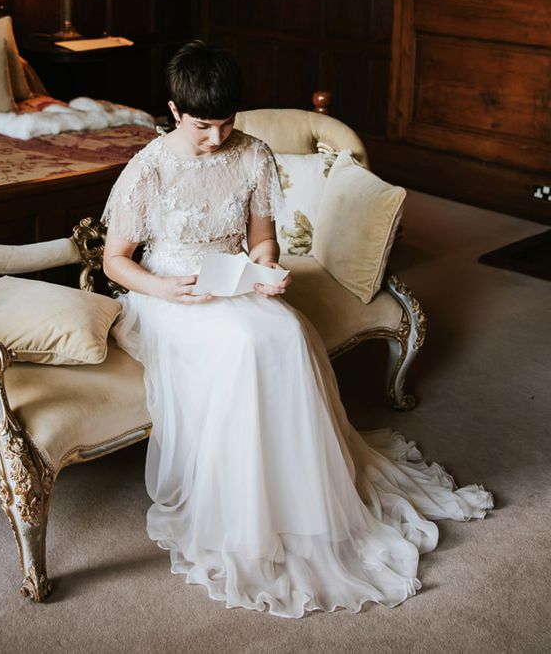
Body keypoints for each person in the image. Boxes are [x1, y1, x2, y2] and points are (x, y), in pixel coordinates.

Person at [101, 40, 492, 618]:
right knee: (243, 344)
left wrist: (265, 269)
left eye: (226, 122)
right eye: (203, 126)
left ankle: (305, 501)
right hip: (167, 296)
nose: (217, 138)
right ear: (175, 111)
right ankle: (248, 512)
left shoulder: (253, 153)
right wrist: (167, 289)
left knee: (284, 333)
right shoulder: (151, 166)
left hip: (230, 281)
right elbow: (117, 260)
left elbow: (262, 238)